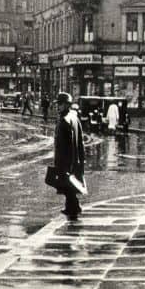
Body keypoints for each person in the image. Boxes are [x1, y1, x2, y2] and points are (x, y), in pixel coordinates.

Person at [54, 92, 85, 220]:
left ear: (67, 105)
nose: (58, 107)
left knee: (67, 184)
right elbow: (80, 140)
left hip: (66, 159)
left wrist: (62, 161)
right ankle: (72, 207)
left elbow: (66, 143)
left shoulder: (65, 120)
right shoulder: (74, 117)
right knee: (69, 184)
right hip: (73, 158)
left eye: (60, 104)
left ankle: (74, 207)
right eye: (58, 104)